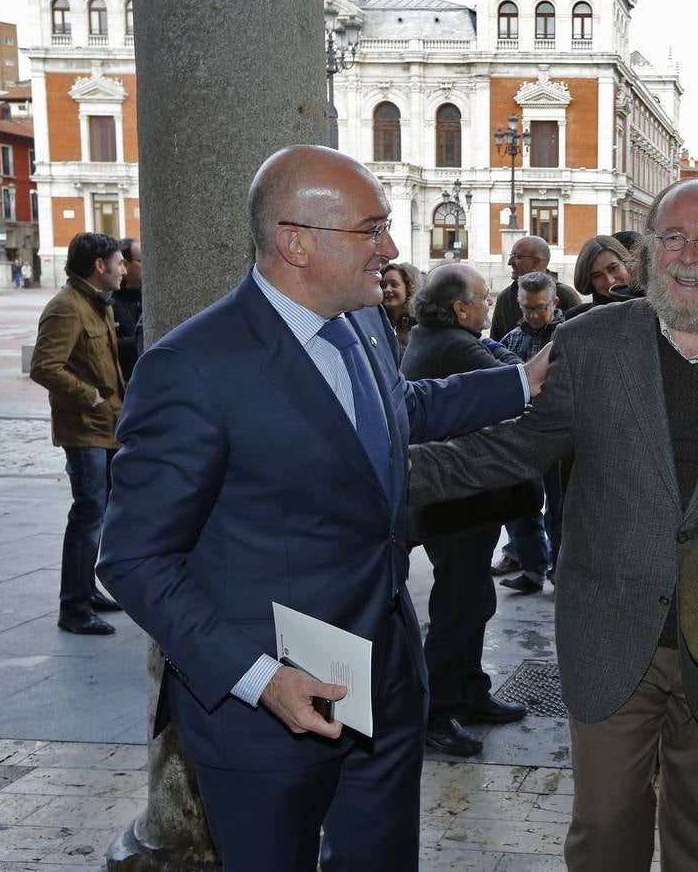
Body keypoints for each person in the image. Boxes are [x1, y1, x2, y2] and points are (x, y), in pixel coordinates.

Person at [95, 145, 545, 871]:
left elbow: (397, 408)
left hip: (386, 679)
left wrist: (522, 383)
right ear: (294, 242)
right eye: (371, 230)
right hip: (267, 708)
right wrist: (259, 677)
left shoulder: (362, 323)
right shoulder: (193, 368)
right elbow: (134, 559)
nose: (392, 249)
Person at [408, 178, 698, 870]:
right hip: (609, 633)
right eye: (672, 236)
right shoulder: (590, 345)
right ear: (648, 254)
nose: (688, 255)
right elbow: (514, 447)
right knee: (606, 832)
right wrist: (390, 474)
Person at [399, 263, 529, 758]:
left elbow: (498, 353)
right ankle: (433, 713)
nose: (488, 304)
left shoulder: (438, 336)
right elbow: (512, 377)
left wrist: (498, 349)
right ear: (459, 309)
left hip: (459, 500)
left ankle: (469, 692)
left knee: (473, 598)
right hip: (452, 501)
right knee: (456, 607)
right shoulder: (451, 344)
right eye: (482, 298)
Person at [29, 231, 128, 636]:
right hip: (84, 428)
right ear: (99, 266)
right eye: (120, 262)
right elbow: (44, 366)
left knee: (98, 514)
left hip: (105, 427)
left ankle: (85, 590)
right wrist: (91, 398)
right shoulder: (67, 308)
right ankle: (73, 607)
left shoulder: (97, 303)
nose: (125, 268)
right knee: (88, 515)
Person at [496, 272, 567, 593]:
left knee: (560, 508)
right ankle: (532, 568)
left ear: (554, 302)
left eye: (539, 308)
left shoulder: (571, 337)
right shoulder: (511, 340)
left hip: (562, 439)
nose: (533, 315)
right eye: (526, 309)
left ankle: (560, 569)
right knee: (520, 505)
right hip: (522, 436)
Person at [489, 235, 582, 339]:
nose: (510, 262)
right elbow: (495, 344)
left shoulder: (567, 297)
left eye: (517, 257)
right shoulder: (505, 298)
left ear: (536, 262)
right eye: (526, 307)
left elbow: (579, 342)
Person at [565, 234, 634, 320]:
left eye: (613, 268)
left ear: (626, 264)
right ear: (589, 281)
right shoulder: (576, 318)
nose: (610, 281)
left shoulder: (651, 308)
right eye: (597, 276)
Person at [112, 238, 143, 381]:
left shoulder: (150, 297)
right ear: (125, 264)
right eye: (142, 260)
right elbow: (106, 347)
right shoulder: (108, 301)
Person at [379, 261, 419, 353]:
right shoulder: (374, 322)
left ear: (408, 289)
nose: (387, 290)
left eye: (394, 285)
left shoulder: (419, 324)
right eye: (383, 286)